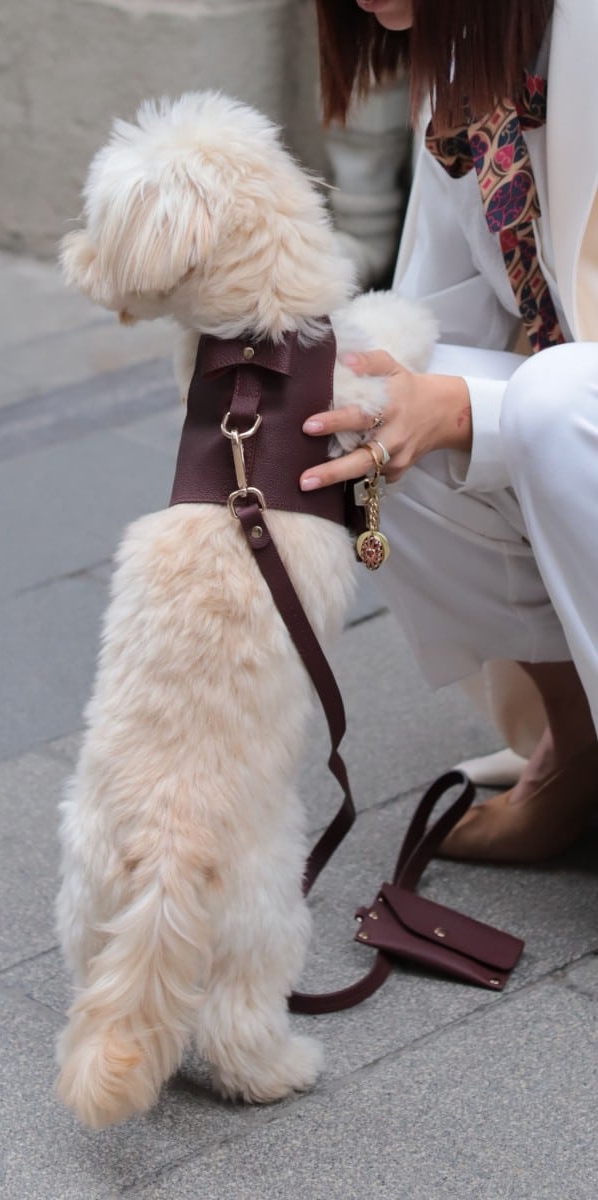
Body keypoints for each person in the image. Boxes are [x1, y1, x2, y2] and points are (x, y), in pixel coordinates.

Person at [300, 0, 598, 862]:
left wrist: (470, 410)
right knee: (360, 406)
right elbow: (432, 332)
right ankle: (578, 748)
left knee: (546, 403)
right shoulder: (466, 61)